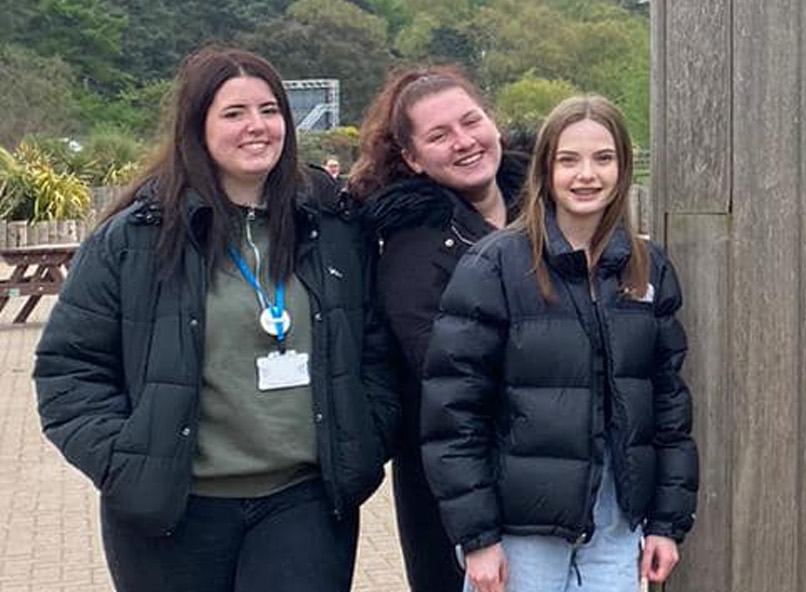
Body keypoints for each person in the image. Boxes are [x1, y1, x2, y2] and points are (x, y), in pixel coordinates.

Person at [32, 46, 398, 592]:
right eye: (234, 113)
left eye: (270, 110)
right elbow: (68, 369)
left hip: (304, 505)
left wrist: (364, 441)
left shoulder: (333, 229)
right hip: (173, 512)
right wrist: (126, 465)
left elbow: (377, 351)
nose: (258, 126)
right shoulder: (134, 239)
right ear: (196, 126)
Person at [424, 95, 697, 592]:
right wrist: (478, 537)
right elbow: (453, 414)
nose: (586, 175)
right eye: (568, 159)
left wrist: (665, 523)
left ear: (623, 167)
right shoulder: (495, 267)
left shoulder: (647, 268)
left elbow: (668, 408)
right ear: (546, 168)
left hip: (615, 524)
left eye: (603, 158)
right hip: (520, 532)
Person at [348, 66, 527, 592]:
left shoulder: (550, 211)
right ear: (412, 158)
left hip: (559, 470)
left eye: (470, 121)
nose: (464, 142)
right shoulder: (412, 250)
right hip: (461, 485)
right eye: (439, 136)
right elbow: (450, 376)